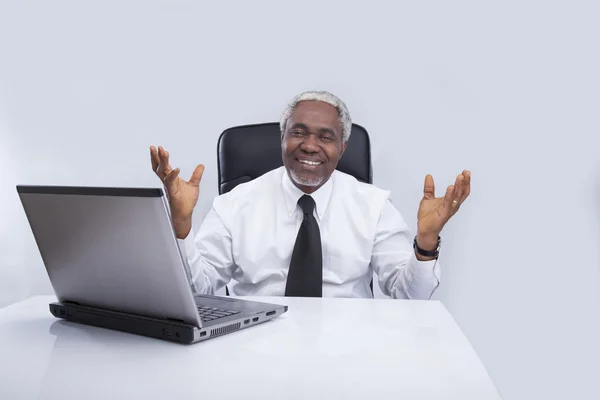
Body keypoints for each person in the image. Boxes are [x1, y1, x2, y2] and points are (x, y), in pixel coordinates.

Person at [150, 91, 471, 299]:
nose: (309, 145)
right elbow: (197, 289)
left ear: (343, 148)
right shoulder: (234, 205)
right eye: (298, 132)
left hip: (349, 349)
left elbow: (409, 297)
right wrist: (182, 228)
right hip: (253, 347)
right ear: (283, 138)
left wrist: (426, 244)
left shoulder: (373, 207)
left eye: (325, 136)